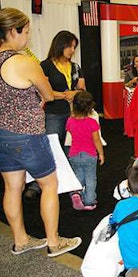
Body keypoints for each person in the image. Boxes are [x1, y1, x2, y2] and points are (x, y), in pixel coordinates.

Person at [0, 7, 81, 257]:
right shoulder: (23, 61)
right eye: (27, 32)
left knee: (12, 187)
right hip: (27, 134)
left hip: (2, 134)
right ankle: (54, 243)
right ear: (14, 31)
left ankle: (21, 240)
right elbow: (47, 94)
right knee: (49, 184)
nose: (27, 38)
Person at [24, 30, 86, 198]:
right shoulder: (45, 65)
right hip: (53, 113)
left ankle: (69, 182)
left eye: (74, 47)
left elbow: (82, 89)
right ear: (60, 45)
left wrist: (74, 93)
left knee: (70, 148)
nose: (72, 50)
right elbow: (42, 91)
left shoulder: (75, 67)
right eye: (70, 46)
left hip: (73, 114)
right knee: (49, 147)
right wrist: (65, 94)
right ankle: (38, 184)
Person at [66, 91, 105, 210]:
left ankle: (76, 193)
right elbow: (97, 140)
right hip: (89, 154)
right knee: (90, 177)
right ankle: (89, 201)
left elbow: (71, 132)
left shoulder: (70, 121)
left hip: (74, 153)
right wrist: (101, 154)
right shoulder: (92, 123)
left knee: (78, 174)